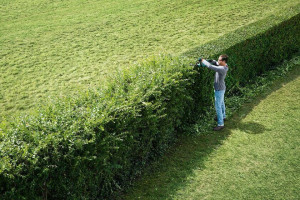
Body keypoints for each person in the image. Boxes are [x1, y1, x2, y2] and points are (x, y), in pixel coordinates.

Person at [199, 54, 229, 131]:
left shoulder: (221, 69)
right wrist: (212, 61)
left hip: (219, 89)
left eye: (219, 60)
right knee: (221, 103)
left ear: (224, 61)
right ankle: (223, 116)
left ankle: (220, 124)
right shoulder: (225, 66)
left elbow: (210, 66)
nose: (218, 61)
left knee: (218, 106)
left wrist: (203, 61)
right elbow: (216, 63)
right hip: (221, 88)